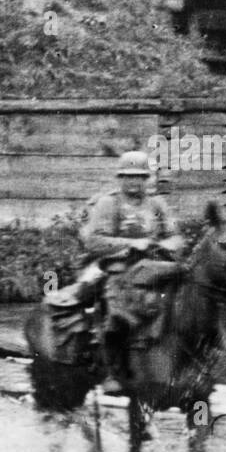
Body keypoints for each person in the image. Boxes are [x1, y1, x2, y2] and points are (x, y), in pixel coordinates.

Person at [47, 150, 185, 388]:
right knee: (116, 308)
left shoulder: (157, 204)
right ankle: (112, 369)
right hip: (115, 267)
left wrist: (162, 245)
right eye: (128, 177)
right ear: (120, 178)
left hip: (152, 268)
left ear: (147, 179)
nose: (134, 182)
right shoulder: (108, 203)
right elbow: (93, 241)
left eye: (139, 177)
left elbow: (176, 238)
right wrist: (131, 244)